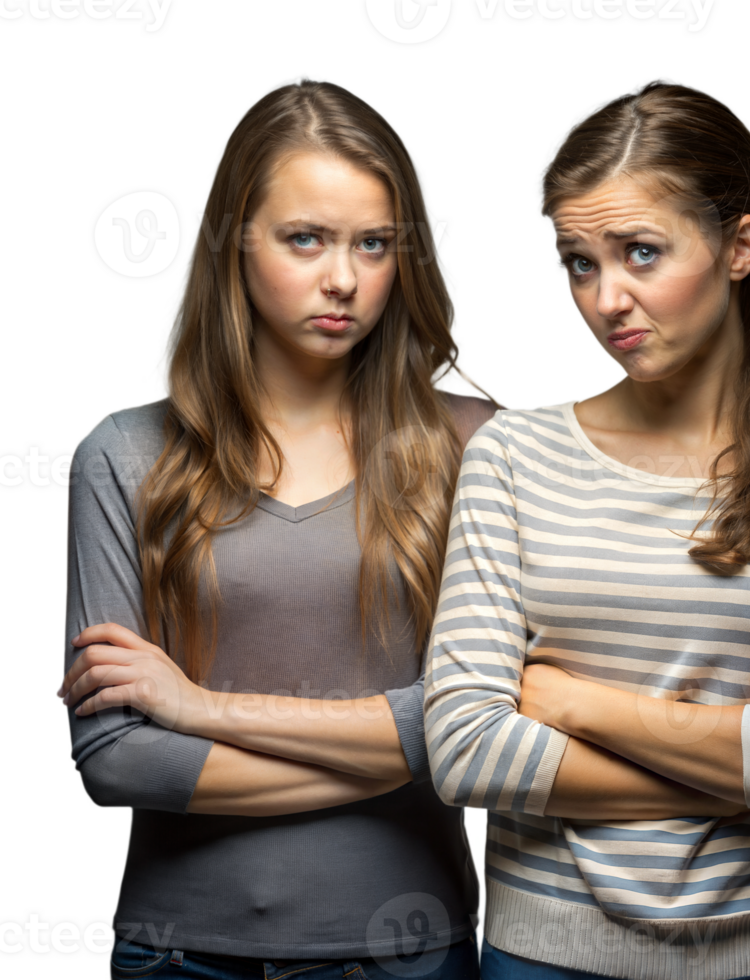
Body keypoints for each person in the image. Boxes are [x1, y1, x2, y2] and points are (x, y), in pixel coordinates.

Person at [422, 76, 750, 980]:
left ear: (740, 245)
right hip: (548, 961)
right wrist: (749, 741)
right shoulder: (513, 454)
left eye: (641, 252)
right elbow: (465, 747)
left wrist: (579, 703)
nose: (606, 297)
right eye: (579, 262)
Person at [56, 73, 501, 979]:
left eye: (374, 244)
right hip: (175, 954)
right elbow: (115, 759)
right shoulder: (125, 452)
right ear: (232, 246)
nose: (343, 277)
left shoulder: (478, 444)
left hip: (408, 952)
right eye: (307, 239)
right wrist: (389, 759)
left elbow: (474, 728)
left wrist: (196, 708)